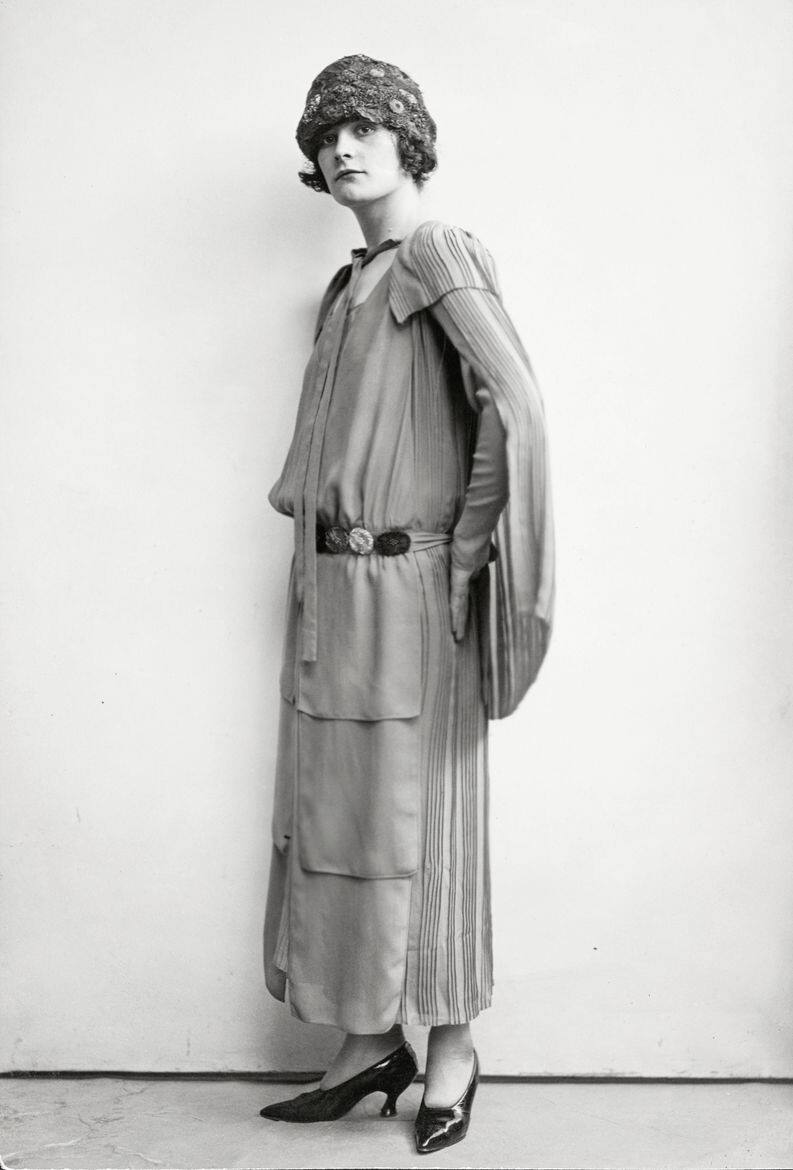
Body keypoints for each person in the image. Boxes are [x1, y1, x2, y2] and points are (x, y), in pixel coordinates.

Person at [259, 54, 554, 1155]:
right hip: (336, 594)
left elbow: (512, 408)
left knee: (432, 823)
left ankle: (453, 1051)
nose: (341, 147)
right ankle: (369, 1043)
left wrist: (464, 559)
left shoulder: (438, 253)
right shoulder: (350, 286)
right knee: (344, 822)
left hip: (413, 595)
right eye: (323, 134)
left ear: (408, 140)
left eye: (363, 127)